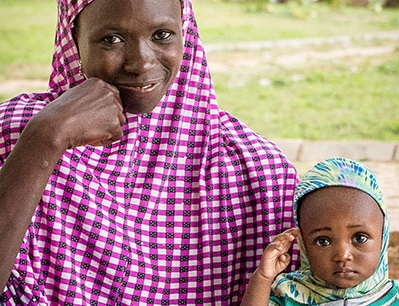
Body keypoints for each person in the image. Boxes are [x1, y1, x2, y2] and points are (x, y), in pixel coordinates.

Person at [0, 0, 300, 305]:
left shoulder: (256, 169)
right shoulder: (23, 135)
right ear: (73, 39)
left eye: (162, 35)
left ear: (184, 31)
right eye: (112, 39)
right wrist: (48, 136)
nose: (141, 63)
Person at [241, 157, 399, 305]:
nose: (343, 255)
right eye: (323, 241)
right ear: (303, 245)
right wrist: (263, 278)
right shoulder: (290, 296)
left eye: (360, 238)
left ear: (383, 237)